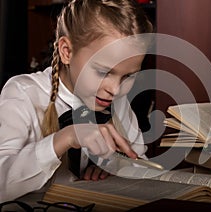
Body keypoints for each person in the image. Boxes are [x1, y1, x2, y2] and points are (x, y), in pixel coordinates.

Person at [0, 0, 153, 202]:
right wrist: (64, 138)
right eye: (102, 72)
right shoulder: (23, 93)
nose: (115, 89)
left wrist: (116, 171)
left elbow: (140, 163)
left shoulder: (116, 100)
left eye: (128, 76)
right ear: (67, 52)